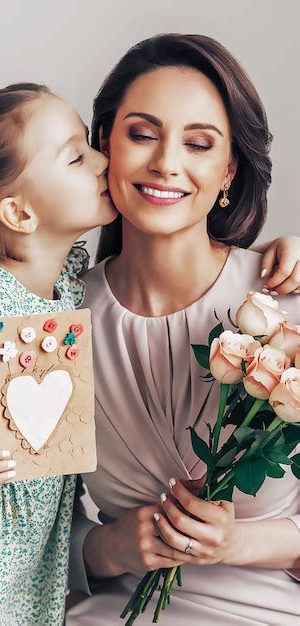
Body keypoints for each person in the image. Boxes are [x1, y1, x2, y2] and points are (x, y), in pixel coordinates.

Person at [67, 34, 300, 625]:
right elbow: (17, 536)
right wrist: (112, 546)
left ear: (228, 172)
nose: (166, 162)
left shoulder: (286, 307)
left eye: (198, 144)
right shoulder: (56, 326)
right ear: (104, 146)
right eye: (141, 134)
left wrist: (238, 543)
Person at [0, 83, 116, 625]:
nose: (103, 160)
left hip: (31, 562)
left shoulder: (68, 286)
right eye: (76, 155)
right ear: (19, 214)